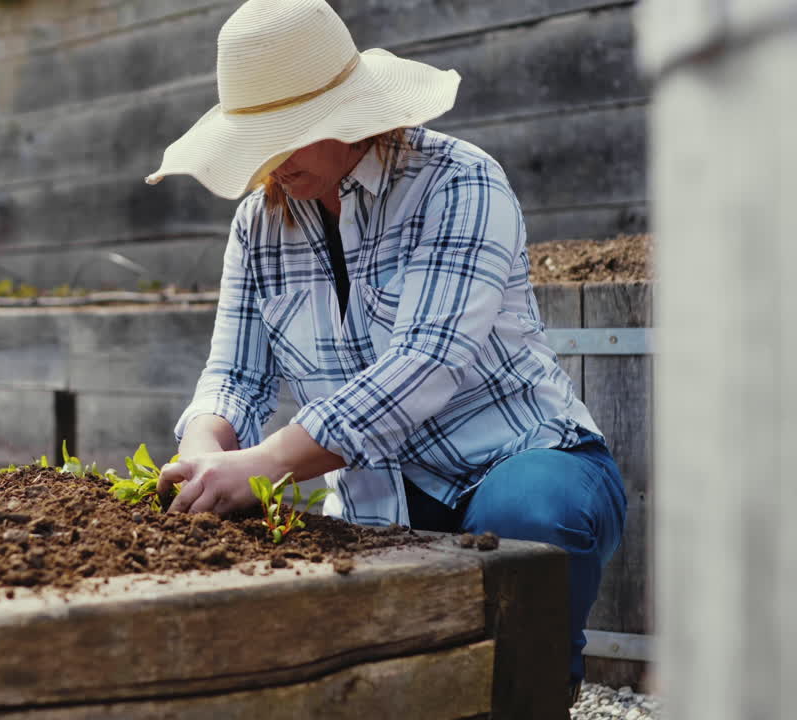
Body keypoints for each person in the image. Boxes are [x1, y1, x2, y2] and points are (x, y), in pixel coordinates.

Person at [145, 0, 626, 698]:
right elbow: (234, 376)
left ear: (347, 118)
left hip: (524, 463)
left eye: (284, 138)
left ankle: (538, 692)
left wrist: (271, 463)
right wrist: (206, 453)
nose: (267, 167)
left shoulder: (457, 183)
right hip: (380, 501)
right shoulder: (260, 224)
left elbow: (426, 362)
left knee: (524, 517)